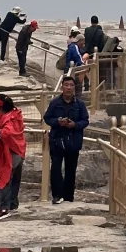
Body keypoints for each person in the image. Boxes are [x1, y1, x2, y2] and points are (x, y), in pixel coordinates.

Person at [44, 75, 89, 204]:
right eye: (66, 85)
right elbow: (47, 118)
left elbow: (85, 120)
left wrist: (75, 125)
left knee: (71, 169)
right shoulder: (55, 103)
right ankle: (57, 195)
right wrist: (58, 121)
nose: (69, 88)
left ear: (74, 88)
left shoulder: (80, 104)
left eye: (71, 85)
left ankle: (69, 196)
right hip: (57, 140)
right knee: (56, 168)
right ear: (62, 87)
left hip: (73, 140)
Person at [0, 94, 26, 220]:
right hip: (19, 150)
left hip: (10, 153)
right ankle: (12, 204)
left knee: (4, 179)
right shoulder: (16, 114)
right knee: (15, 179)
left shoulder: (8, 118)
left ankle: (4, 208)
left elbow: (8, 132)